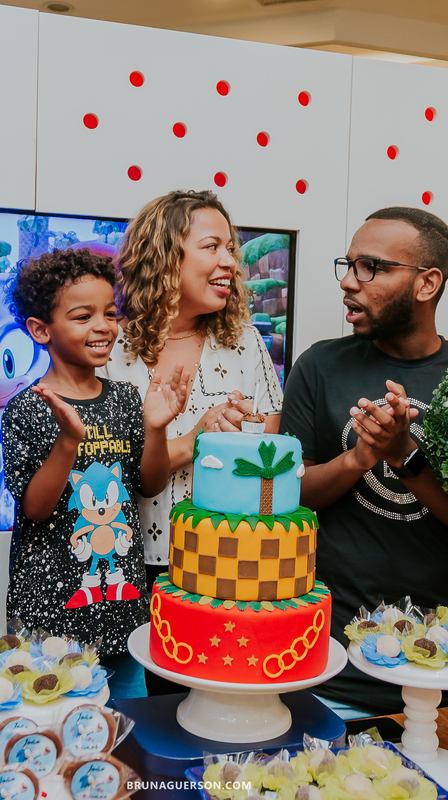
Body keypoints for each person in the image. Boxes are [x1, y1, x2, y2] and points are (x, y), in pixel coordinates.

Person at [281, 207, 448, 718]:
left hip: (442, 668)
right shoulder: (319, 366)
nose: (350, 282)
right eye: (348, 265)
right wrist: (358, 458)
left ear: (427, 283)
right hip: (327, 666)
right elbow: (287, 494)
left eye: (371, 267)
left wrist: (406, 457)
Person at [102, 190, 284, 694]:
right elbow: (109, 470)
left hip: (226, 557)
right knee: (143, 712)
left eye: (231, 249)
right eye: (212, 247)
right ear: (163, 255)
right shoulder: (110, 348)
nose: (229, 261)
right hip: (126, 562)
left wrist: (235, 431)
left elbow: (266, 448)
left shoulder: (244, 342)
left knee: (219, 698)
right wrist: (197, 437)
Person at [2, 248, 191, 699]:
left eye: (110, 313)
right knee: (56, 733)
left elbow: (148, 485)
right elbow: (36, 508)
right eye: (83, 316)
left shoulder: (127, 397)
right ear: (40, 329)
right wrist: (68, 442)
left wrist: (155, 429)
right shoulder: (28, 407)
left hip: (123, 608)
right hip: (51, 615)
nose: (104, 326)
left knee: (125, 732)